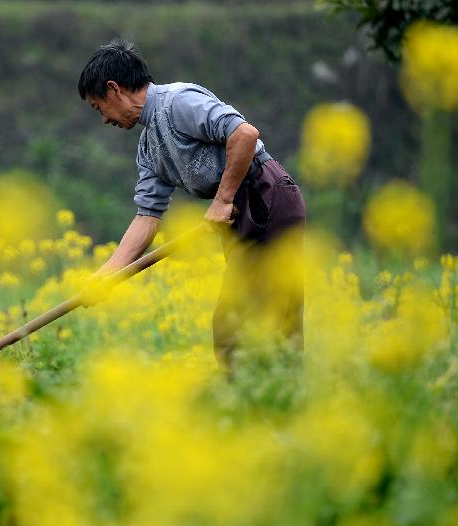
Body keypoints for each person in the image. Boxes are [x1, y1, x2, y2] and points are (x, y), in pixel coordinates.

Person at [78, 38, 306, 370]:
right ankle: (261, 403)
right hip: (239, 213)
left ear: (114, 89)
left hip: (266, 197)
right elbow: (147, 217)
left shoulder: (178, 102)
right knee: (245, 323)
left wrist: (222, 199)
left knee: (250, 321)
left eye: (98, 107)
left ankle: (271, 404)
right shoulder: (148, 147)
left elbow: (244, 134)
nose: (104, 119)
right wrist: (106, 275)